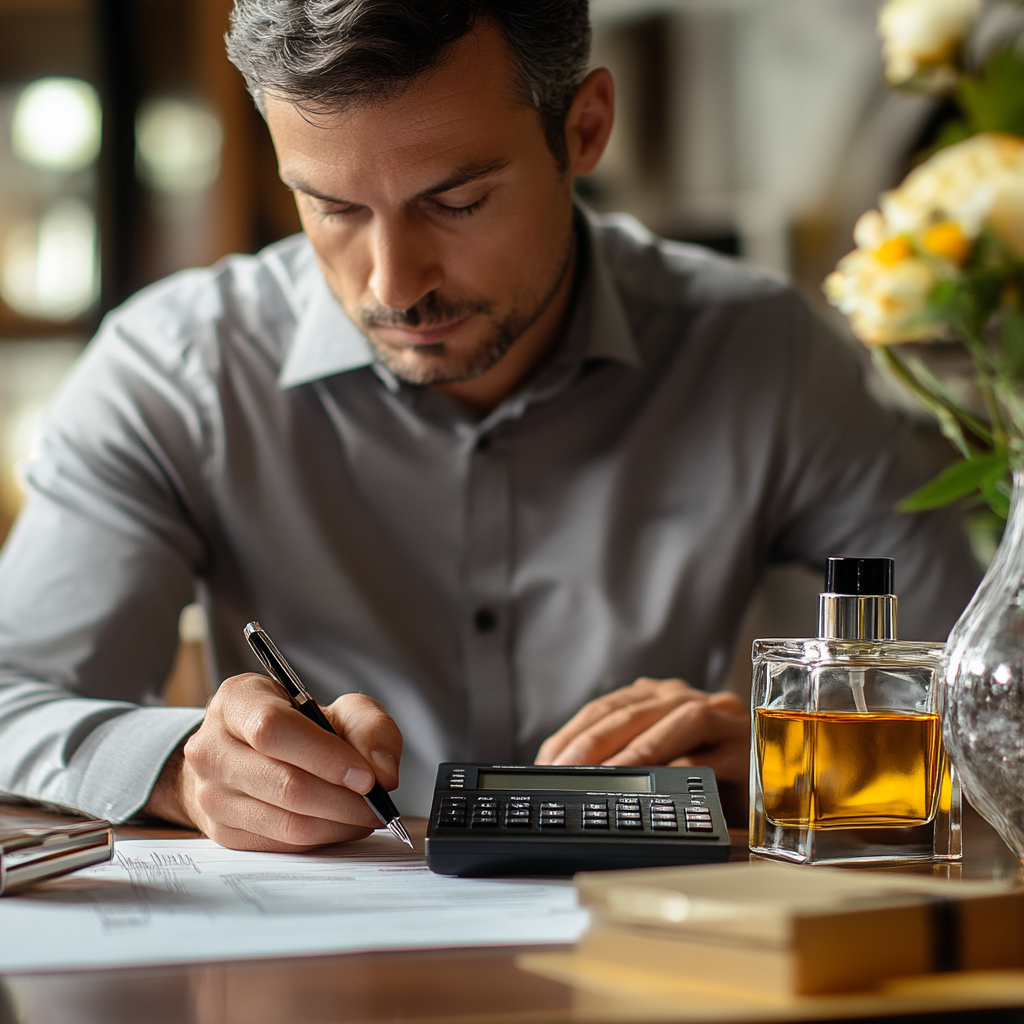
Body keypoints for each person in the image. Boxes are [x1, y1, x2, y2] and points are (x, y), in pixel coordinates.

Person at [0, 1, 980, 852]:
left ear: (584, 127)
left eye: (456, 200)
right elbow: (12, 701)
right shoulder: (175, 372)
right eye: (331, 206)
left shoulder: (760, 352)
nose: (391, 283)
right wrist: (181, 769)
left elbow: (985, 699)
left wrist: (793, 759)